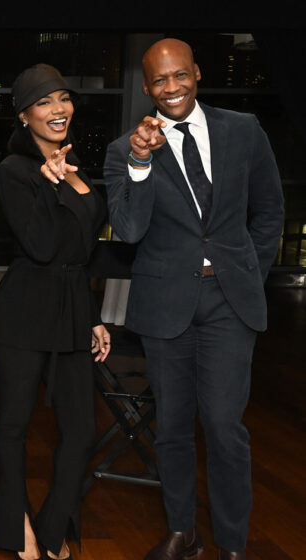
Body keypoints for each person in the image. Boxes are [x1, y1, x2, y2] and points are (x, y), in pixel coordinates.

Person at [103, 38, 284, 560]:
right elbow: (130, 230)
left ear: (197, 73)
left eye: (179, 75)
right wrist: (140, 162)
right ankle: (184, 532)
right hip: (166, 305)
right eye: (160, 80)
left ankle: (231, 544)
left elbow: (270, 210)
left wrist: (250, 272)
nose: (172, 87)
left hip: (230, 300)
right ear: (146, 87)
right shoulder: (125, 149)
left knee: (225, 427)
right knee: (174, 428)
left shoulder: (243, 131)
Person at [0, 63, 112, 560]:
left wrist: (94, 315)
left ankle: (54, 525)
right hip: (23, 312)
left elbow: (83, 253)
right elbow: (38, 245)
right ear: (23, 116)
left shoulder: (75, 161)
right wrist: (50, 185)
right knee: (13, 426)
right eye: (44, 102)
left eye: (63, 98)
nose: (58, 109)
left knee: (83, 429)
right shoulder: (13, 171)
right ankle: (15, 525)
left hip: (73, 308)